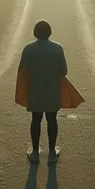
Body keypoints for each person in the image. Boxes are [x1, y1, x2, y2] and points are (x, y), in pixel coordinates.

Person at [18, 20, 67, 163]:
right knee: (52, 120)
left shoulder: (28, 49)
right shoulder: (58, 48)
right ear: (49, 32)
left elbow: (23, 70)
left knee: (36, 120)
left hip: (35, 90)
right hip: (52, 90)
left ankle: (35, 152)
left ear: (35, 33)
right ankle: (52, 152)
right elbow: (64, 71)